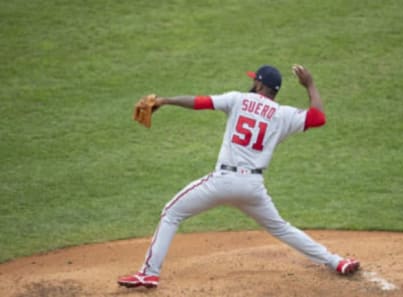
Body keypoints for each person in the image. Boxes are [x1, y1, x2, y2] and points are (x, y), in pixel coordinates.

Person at [118, 64, 360, 288]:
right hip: (253, 188)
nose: (252, 83)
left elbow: (199, 102)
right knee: (282, 228)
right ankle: (336, 261)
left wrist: (165, 100)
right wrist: (310, 84)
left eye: (255, 80)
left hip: (223, 182)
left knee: (172, 213)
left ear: (260, 86)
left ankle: (149, 272)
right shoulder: (283, 114)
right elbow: (319, 117)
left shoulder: (237, 99)